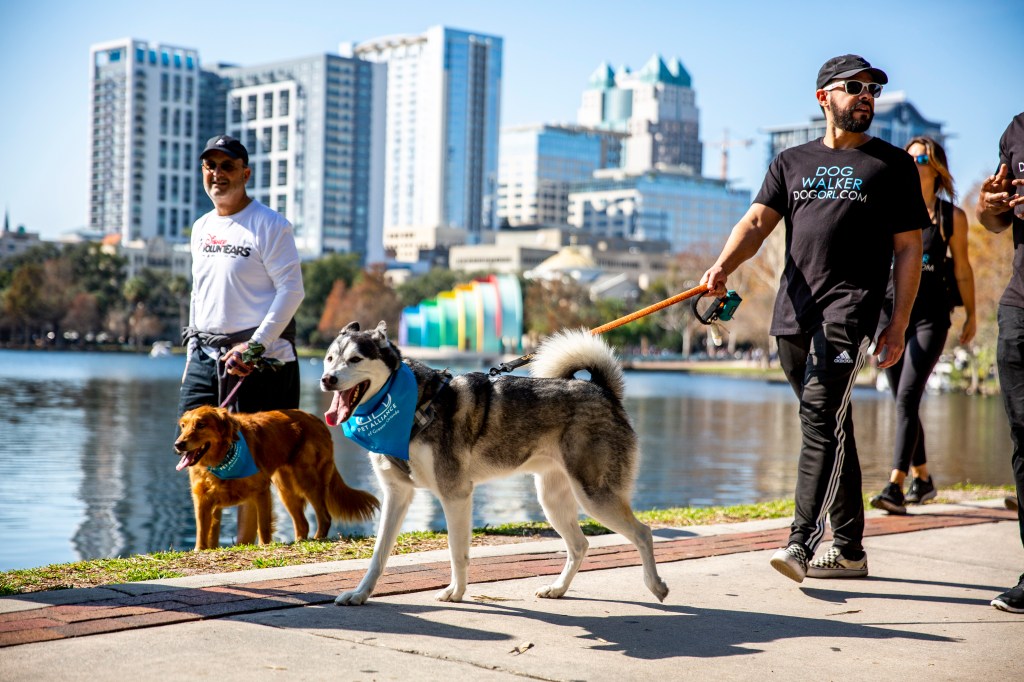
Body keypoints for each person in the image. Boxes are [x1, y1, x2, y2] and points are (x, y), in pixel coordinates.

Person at [701, 55, 928, 583]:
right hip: (793, 316)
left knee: (821, 421)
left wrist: (896, 323)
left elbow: (908, 250)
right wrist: (721, 266)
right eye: (855, 87)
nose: (866, 95)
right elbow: (757, 222)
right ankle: (849, 550)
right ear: (824, 97)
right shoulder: (791, 161)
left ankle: (802, 541)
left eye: (872, 88)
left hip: (850, 313)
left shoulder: (892, 166)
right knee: (832, 426)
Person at [177, 134, 305, 544]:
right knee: (192, 442)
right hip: (205, 356)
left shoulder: (270, 224)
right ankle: (204, 550)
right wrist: (189, 360)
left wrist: (255, 346)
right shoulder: (201, 227)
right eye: (210, 166)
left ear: (245, 174)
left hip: (262, 361)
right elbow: (199, 294)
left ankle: (247, 550)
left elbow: (292, 291)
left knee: (255, 458)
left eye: (227, 166)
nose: (217, 174)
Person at [869, 137, 976, 514]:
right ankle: (924, 479)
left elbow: (962, 269)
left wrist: (972, 314)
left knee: (908, 396)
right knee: (902, 398)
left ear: (937, 166)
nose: (914, 162)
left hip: (931, 317)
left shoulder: (952, 218)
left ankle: (895, 485)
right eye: (909, 157)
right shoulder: (888, 211)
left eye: (922, 157)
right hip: (889, 314)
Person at [976, 111, 1024, 613]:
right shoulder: (1016, 129)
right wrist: (990, 207)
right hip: (1020, 306)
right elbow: (995, 221)